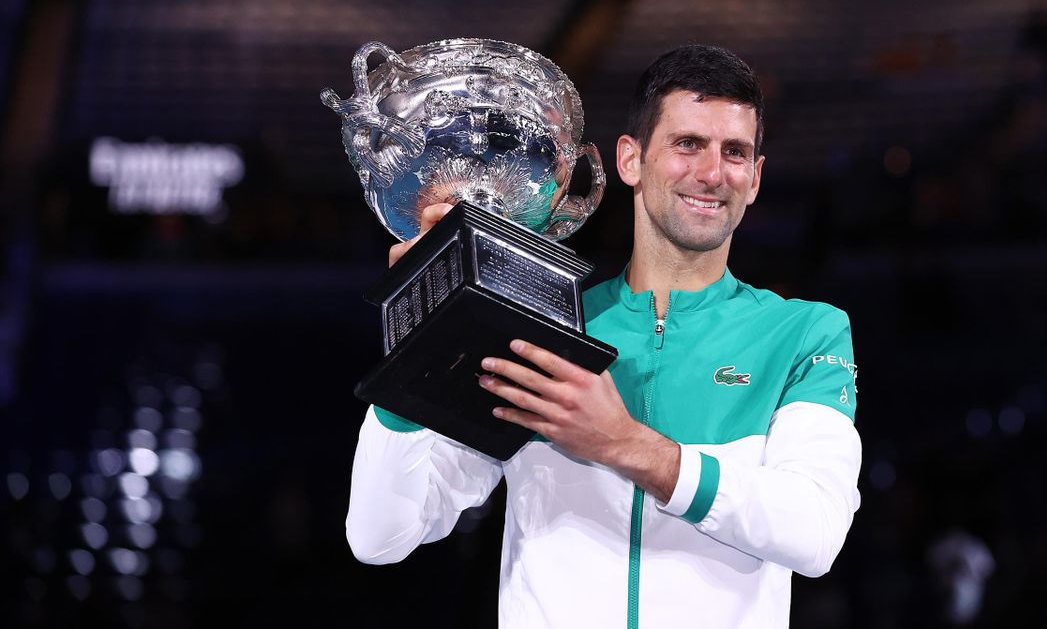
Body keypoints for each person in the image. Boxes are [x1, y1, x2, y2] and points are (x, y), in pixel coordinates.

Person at [346, 45, 862, 629]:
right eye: (687, 144)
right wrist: (419, 340)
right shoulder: (543, 326)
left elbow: (815, 532)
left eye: (735, 152)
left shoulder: (804, 331)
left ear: (756, 177)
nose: (712, 173)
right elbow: (380, 536)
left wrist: (625, 444)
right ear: (630, 160)